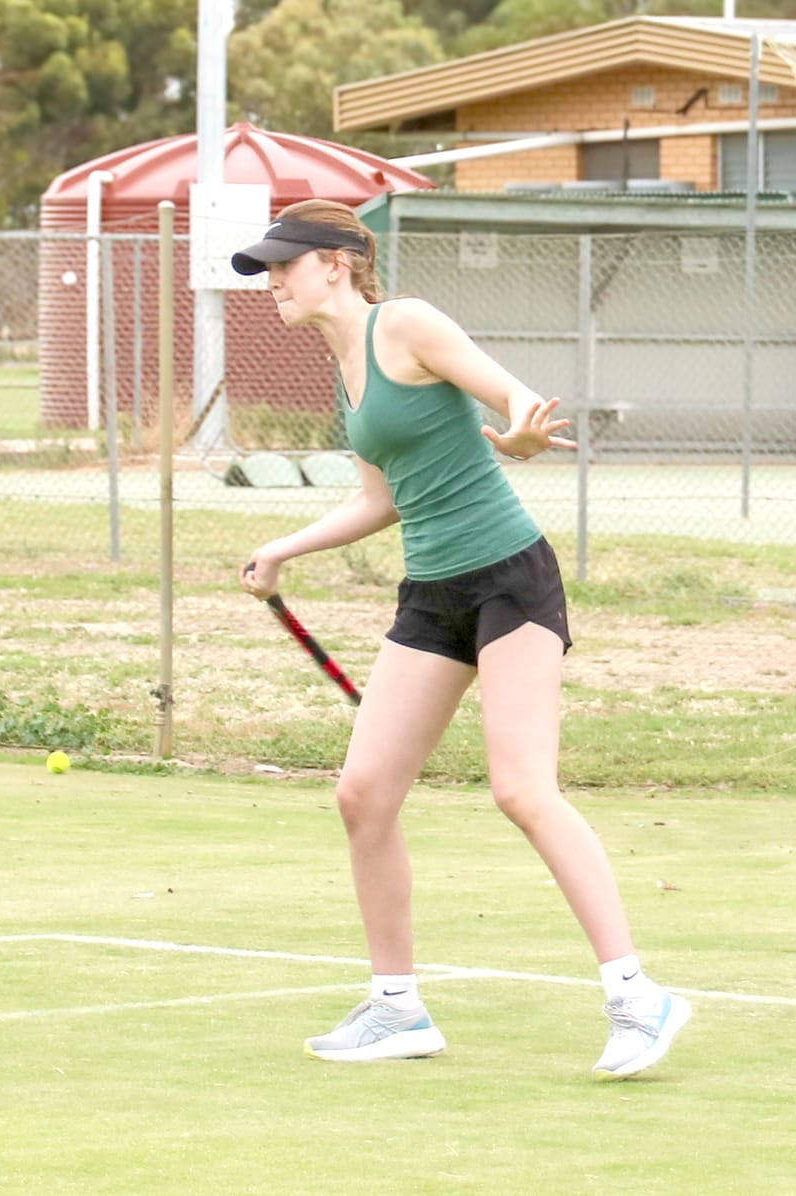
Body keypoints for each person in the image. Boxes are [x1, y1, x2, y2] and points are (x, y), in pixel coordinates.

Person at [232, 199, 690, 1079]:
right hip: (431, 593)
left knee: (522, 789)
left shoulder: (404, 325)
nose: (273, 283)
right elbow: (382, 498)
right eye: (266, 269)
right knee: (363, 794)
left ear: (336, 263)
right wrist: (283, 547)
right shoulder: (346, 369)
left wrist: (521, 431)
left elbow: (511, 393)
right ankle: (397, 1007)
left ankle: (639, 996)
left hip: (509, 578)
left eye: (284, 266)